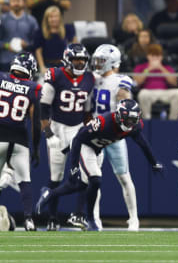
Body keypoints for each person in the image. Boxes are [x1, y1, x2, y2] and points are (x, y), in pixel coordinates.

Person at [36, 99, 163, 231]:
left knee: (81, 185)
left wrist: (154, 162)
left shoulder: (134, 127)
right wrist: (73, 167)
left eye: (133, 119)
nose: (130, 123)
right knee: (95, 179)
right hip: (85, 145)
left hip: (98, 148)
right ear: (119, 116)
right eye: (128, 119)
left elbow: (142, 143)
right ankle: (91, 219)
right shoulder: (104, 122)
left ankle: (50, 193)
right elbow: (78, 139)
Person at [39, 43, 94, 231]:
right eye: (76, 59)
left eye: (83, 60)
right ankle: (52, 218)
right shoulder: (56, 75)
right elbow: (43, 107)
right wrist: (48, 133)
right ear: (67, 60)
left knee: (84, 175)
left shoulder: (89, 78)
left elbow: (88, 111)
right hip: (57, 127)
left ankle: (78, 215)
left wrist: (90, 131)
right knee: (56, 176)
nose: (80, 63)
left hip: (78, 129)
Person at [90, 44, 140, 231]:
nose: (97, 64)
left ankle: (134, 218)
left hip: (114, 134)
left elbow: (125, 100)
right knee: (93, 178)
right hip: (95, 134)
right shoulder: (92, 78)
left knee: (124, 176)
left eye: (102, 60)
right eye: (96, 60)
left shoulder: (121, 80)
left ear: (112, 63)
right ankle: (94, 218)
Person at [0, 52, 41, 231]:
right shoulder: (34, 87)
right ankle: (29, 219)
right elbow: (35, 122)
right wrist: (37, 149)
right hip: (20, 138)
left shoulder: (1, 79)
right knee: (25, 180)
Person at [134, 43, 178, 120]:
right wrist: (148, 69)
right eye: (152, 56)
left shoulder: (167, 67)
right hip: (148, 92)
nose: (155, 58)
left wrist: (161, 68)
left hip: (165, 92)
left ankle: (173, 121)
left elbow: (174, 82)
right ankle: (147, 121)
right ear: (148, 56)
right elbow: (136, 82)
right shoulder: (141, 67)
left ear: (161, 57)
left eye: (158, 56)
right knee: (142, 94)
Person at [33, 5, 77, 74]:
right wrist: (42, 67)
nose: (54, 19)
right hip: (47, 65)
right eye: (51, 17)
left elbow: (75, 46)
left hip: (64, 65)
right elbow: (38, 51)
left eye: (56, 16)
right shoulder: (40, 32)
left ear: (60, 18)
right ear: (46, 19)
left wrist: (72, 64)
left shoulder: (68, 29)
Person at [0, 0, 39, 72]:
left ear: (23, 2)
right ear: (10, 3)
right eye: (13, 1)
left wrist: (27, 45)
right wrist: (7, 45)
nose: (16, 3)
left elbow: (36, 42)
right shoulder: (2, 20)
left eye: (18, 0)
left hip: (25, 63)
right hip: (5, 61)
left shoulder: (31, 20)